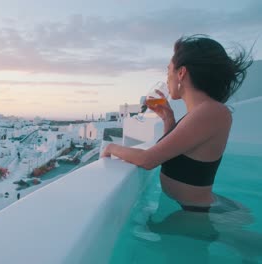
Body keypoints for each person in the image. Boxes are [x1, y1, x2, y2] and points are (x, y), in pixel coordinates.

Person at [101, 35, 252, 212]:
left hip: (199, 213)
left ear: (181, 73)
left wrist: (110, 147)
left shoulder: (211, 111)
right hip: (188, 208)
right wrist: (168, 119)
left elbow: (147, 160)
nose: (166, 79)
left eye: (168, 71)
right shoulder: (200, 113)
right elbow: (171, 154)